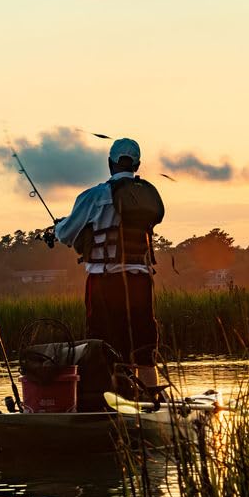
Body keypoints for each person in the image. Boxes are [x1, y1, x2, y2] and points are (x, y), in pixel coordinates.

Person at [53, 137, 164, 387]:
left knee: (105, 345)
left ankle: (114, 401)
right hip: (140, 280)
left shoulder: (93, 196)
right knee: (144, 347)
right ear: (137, 164)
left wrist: (59, 225)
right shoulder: (146, 197)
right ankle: (150, 399)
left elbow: (65, 234)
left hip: (105, 281)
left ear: (110, 163)